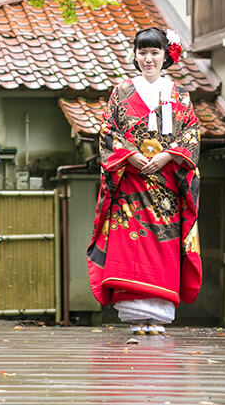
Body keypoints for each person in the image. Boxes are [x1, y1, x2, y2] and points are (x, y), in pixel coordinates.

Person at [87, 26, 202, 335]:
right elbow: (108, 131)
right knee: (130, 245)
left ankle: (160, 315)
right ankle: (136, 315)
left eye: (154, 53)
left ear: (166, 56)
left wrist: (168, 156)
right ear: (135, 56)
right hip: (131, 183)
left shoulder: (179, 94)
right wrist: (128, 155)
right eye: (143, 52)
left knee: (163, 247)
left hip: (166, 183)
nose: (148, 59)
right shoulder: (121, 91)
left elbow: (191, 134)